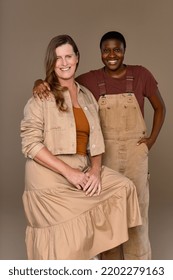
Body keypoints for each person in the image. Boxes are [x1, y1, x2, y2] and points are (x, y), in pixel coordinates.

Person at [33, 31, 166, 260]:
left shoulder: (141, 74)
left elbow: (160, 107)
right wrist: (39, 83)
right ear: (100, 53)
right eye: (106, 50)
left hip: (136, 156)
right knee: (108, 215)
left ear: (125, 50)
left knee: (138, 211)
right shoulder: (89, 80)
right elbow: (62, 79)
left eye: (117, 49)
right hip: (105, 156)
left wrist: (151, 140)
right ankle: (109, 268)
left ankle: (140, 267)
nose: (112, 55)